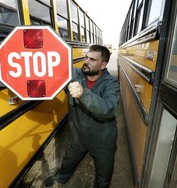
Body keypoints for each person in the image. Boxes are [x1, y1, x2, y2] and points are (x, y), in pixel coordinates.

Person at [44, 45, 120, 188]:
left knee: (104, 175)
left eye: (92, 59)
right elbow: (50, 73)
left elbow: (109, 109)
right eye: (86, 57)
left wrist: (83, 94)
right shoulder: (74, 74)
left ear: (103, 65)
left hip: (102, 140)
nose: (86, 61)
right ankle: (60, 179)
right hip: (78, 136)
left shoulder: (111, 83)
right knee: (67, 162)